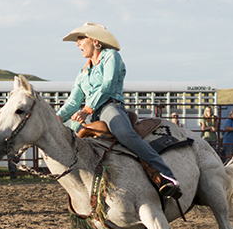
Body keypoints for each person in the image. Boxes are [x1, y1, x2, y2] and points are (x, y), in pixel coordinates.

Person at [57, 23, 181, 200]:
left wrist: (86, 109)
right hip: (90, 113)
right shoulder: (83, 72)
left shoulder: (111, 57)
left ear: (95, 41)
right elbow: (72, 101)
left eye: (81, 39)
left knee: (125, 134)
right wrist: (56, 119)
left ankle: (166, 175)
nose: (78, 44)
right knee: (66, 138)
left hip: (110, 107)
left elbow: (107, 86)